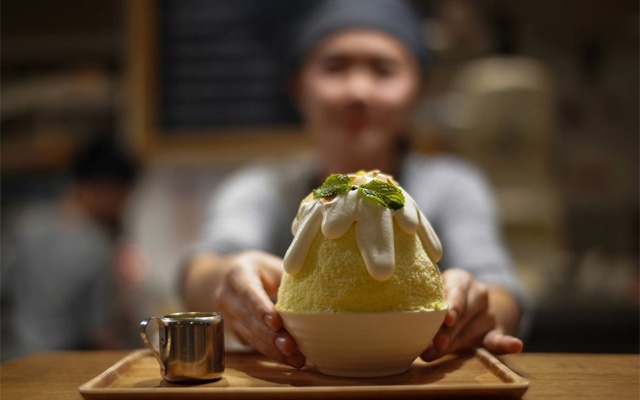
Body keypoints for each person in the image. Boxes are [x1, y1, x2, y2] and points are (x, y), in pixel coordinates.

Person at [182, 0, 525, 369]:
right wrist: (229, 280)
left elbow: (499, 289)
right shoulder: (260, 188)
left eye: (383, 70)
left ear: (418, 90)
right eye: (335, 67)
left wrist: (479, 307)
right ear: (297, 87)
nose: (358, 91)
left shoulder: (453, 185)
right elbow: (201, 269)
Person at [1, 134, 140, 360]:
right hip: (64, 365)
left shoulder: (25, 224)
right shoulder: (96, 246)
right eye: (123, 196)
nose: (123, 207)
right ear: (105, 189)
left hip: (16, 362)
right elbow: (100, 333)